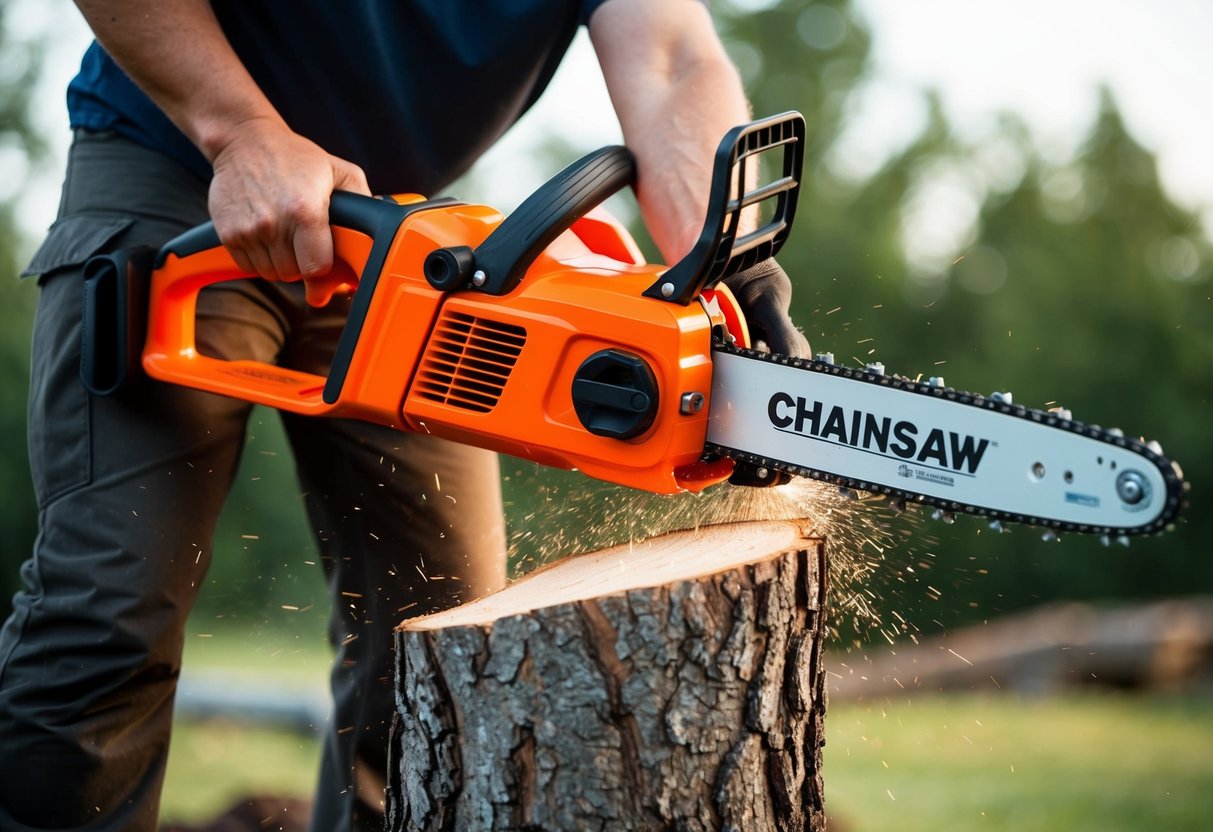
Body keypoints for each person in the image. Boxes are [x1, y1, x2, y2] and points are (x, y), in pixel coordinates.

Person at [0, 1, 808, 830]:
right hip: (180, 168)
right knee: (110, 604)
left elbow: (671, 59)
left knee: (439, 641)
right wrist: (240, 131)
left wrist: (732, 278)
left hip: (405, 232)